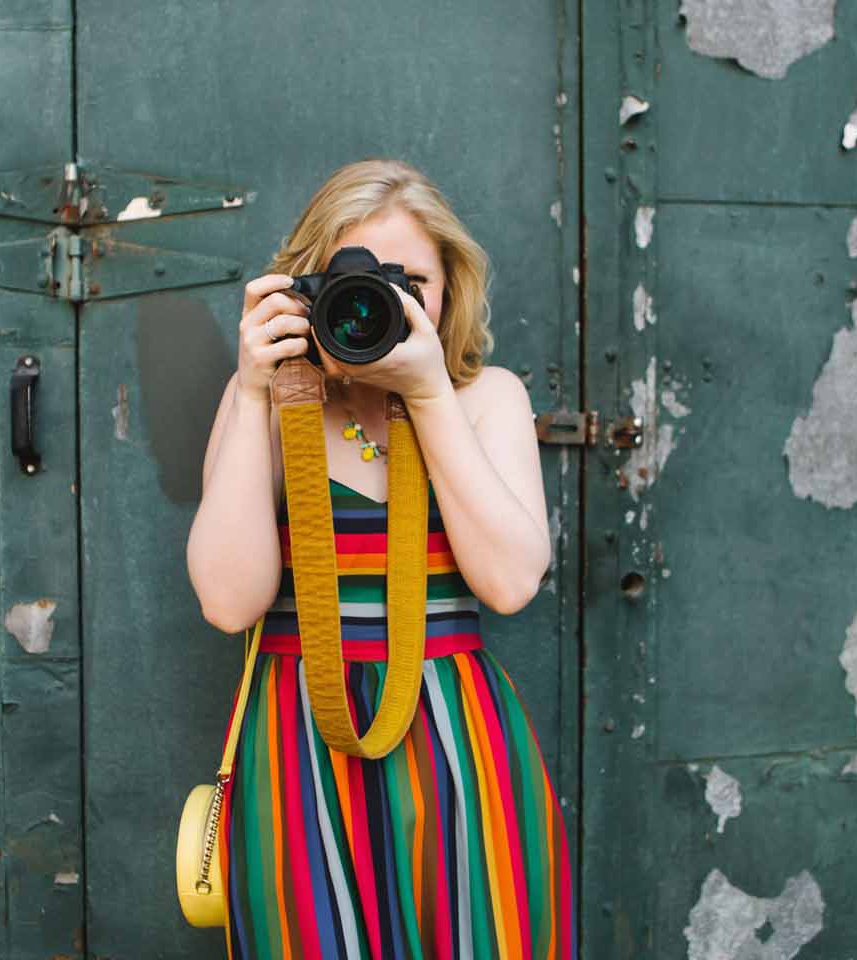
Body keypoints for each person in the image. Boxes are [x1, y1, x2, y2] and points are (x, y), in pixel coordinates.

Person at [186, 158, 576, 960]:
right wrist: (258, 390)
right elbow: (228, 602)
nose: (379, 303)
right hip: (297, 747)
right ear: (300, 288)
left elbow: (508, 584)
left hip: (456, 744)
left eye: (411, 282)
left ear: (449, 292)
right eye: (350, 279)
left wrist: (428, 394)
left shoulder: (485, 399)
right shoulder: (257, 401)